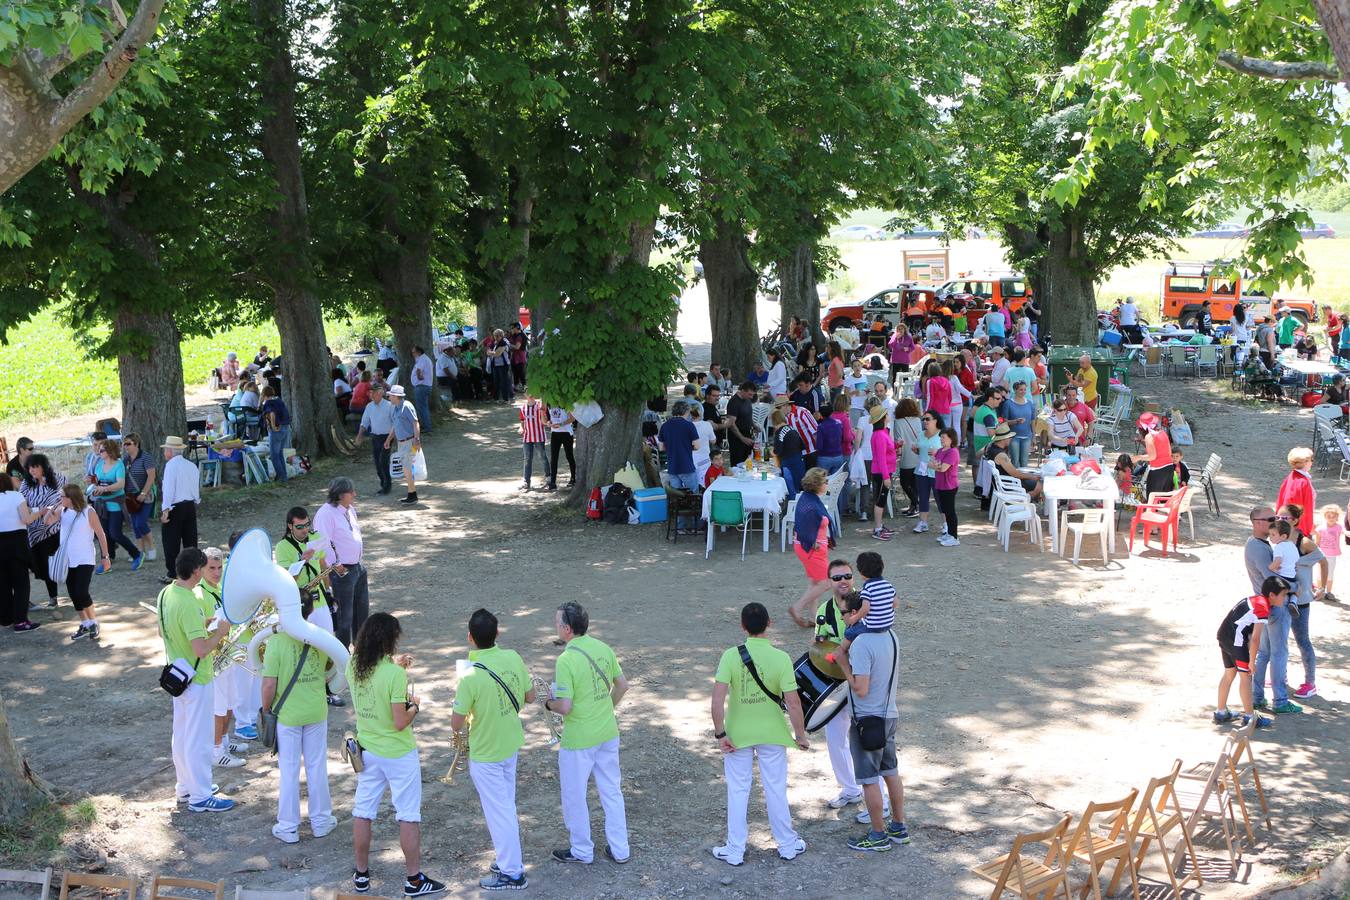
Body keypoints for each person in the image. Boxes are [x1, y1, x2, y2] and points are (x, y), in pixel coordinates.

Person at [348, 613, 446, 897]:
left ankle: (361, 874)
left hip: (367, 750)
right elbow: (400, 721)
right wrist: (415, 705)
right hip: (399, 752)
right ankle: (414, 880)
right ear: (389, 640)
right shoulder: (394, 675)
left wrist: (396, 664)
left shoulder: (354, 665)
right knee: (408, 815)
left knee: (363, 812)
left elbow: (374, 671)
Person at [710, 602, 810, 867]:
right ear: (770, 623)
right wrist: (800, 735)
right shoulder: (781, 659)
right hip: (773, 733)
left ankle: (735, 849)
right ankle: (787, 845)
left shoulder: (730, 656)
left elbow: (717, 700)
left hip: (737, 734)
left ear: (742, 626)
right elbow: (794, 702)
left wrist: (720, 733)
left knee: (738, 790)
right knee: (775, 788)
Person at [543, 602, 631, 866]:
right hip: (607, 731)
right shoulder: (603, 648)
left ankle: (581, 849)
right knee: (611, 790)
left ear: (567, 629)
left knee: (574, 794)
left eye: (557, 623)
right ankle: (620, 849)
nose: (556, 627)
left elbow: (565, 706)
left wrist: (548, 703)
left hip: (579, 738)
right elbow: (622, 685)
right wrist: (607, 708)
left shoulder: (566, 660)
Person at [451, 609, 533, 892]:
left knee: (500, 811)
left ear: (469, 638)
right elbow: (530, 696)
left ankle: (512, 872)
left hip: (485, 752)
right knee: (505, 805)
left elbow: (456, 721)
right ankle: (507, 858)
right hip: (510, 742)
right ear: (498, 633)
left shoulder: (469, 675)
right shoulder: (512, 657)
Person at [160, 547, 235, 811]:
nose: (207, 572)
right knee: (199, 739)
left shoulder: (166, 593)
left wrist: (205, 622)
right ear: (196, 571)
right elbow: (202, 650)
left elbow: (167, 630)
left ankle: (185, 787)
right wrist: (221, 631)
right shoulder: (189, 602)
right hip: (196, 678)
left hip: (177, 674)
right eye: (204, 568)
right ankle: (201, 796)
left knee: (181, 734)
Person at [262, 587, 335, 845]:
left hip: (288, 715)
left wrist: (267, 709)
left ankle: (288, 826)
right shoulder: (320, 637)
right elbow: (332, 668)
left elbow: (269, 685)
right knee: (317, 767)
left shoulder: (277, 642)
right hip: (315, 710)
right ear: (311, 610)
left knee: (289, 770)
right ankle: (321, 822)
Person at [842, 607, 908, 852]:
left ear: (858, 614)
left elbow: (861, 688)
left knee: (869, 781)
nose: (843, 619)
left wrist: (842, 664)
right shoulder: (892, 635)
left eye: (845, 613)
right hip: (889, 714)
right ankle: (899, 827)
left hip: (867, 720)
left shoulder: (861, 643)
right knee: (891, 771)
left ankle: (878, 834)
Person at [1214, 576, 1288, 729]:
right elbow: (1255, 639)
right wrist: (1251, 662)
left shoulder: (1256, 599)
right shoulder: (1263, 608)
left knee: (1229, 673)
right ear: (1272, 595)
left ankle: (1221, 712)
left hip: (1224, 635)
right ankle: (1250, 717)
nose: (1285, 598)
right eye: (1283, 595)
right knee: (1246, 677)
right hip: (1236, 641)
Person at [45, 485, 109, 639]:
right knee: (73, 593)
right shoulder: (62, 511)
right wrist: (51, 509)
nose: (60, 499)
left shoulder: (89, 512)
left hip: (85, 558)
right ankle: (85, 623)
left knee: (81, 591)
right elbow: (47, 522)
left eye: (62, 497)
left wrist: (105, 557)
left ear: (71, 497)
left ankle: (93, 621)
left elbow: (101, 534)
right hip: (68, 559)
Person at [314, 477, 368, 651]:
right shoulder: (325, 514)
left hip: (357, 567)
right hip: (342, 570)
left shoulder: (349, 509)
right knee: (344, 616)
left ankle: (361, 651)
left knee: (361, 612)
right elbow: (323, 542)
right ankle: (342, 654)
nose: (354, 494)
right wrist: (336, 565)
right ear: (340, 495)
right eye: (351, 492)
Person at [789, 468, 837, 627]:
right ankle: (797, 607)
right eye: (825, 482)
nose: (827, 483)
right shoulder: (810, 504)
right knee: (826, 583)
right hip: (811, 549)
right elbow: (802, 526)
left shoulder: (809, 499)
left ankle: (813, 617)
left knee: (815, 582)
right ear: (817, 485)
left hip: (813, 548)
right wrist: (811, 542)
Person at [21, 453, 66, 608]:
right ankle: (53, 597)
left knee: (61, 563)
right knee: (44, 567)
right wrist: (38, 510)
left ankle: (75, 592)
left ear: (43, 467)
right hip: (35, 532)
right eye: (30, 468)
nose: (32, 470)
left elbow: (68, 497)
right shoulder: (26, 485)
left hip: (56, 529)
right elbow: (22, 506)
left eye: (35, 467)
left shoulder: (58, 479)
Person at [0, 474, 42, 632]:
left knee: (3, 584)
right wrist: (40, 512)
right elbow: (27, 519)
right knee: (21, 584)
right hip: (16, 543)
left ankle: (5, 618)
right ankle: (20, 621)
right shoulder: (16, 495)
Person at [159, 436, 200, 585]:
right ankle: (194, 569)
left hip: (175, 507)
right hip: (190, 505)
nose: (164, 453)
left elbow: (169, 489)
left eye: (165, 450)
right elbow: (196, 488)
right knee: (190, 539)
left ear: (170, 451)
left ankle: (173, 573)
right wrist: (196, 501)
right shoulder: (191, 465)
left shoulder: (171, 466)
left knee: (171, 541)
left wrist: (165, 510)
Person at [658, 400, 703, 530]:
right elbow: (697, 446)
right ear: (686, 411)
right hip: (686, 465)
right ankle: (695, 525)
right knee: (693, 496)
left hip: (672, 466)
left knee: (678, 498)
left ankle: (681, 526)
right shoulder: (689, 426)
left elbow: (661, 447)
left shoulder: (665, 426)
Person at [979, 424, 1044, 511]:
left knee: (1033, 480)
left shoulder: (990, 447)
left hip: (1001, 482)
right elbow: (1015, 474)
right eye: (1009, 437)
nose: (1011, 439)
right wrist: (1032, 476)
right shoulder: (1001, 455)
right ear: (1004, 439)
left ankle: (1024, 502)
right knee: (1040, 485)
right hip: (1008, 483)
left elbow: (978, 454)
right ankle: (1023, 503)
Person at [121, 433, 157, 562]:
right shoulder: (125, 460)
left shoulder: (146, 457)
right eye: (124, 444)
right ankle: (140, 551)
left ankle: (152, 547)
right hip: (130, 497)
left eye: (128, 443)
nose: (126, 446)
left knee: (141, 522)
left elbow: (151, 477)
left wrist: (143, 493)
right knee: (135, 525)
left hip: (145, 496)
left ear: (136, 444)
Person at [386, 385, 423, 504]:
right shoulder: (396, 408)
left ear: (396, 396)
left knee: (407, 469)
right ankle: (412, 494)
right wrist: (388, 440)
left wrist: (417, 439)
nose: (389, 397)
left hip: (409, 441)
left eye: (391, 395)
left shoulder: (406, 406)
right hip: (401, 442)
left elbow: (415, 422)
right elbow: (395, 426)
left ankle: (412, 495)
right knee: (406, 469)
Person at [357, 383, 395, 495]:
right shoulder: (369, 407)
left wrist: (390, 439)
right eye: (370, 392)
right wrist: (360, 435)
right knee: (378, 464)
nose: (370, 394)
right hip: (375, 437)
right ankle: (383, 483)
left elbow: (394, 424)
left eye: (372, 392)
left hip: (387, 437)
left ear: (380, 393)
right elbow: (364, 423)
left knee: (383, 461)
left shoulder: (389, 406)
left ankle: (387, 486)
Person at [868, 405, 896, 541]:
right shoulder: (879, 435)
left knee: (882, 499)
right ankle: (878, 528)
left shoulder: (883, 432)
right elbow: (881, 458)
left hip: (884, 471)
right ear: (883, 418)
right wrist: (886, 477)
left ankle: (879, 526)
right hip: (881, 472)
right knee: (880, 500)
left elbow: (887, 449)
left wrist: (897, 445)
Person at [1275, 447, 1316, 536]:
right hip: (1297, 528)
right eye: (1310, 460)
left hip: (1289, 525)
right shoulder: (1302, 482)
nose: (1312, 462)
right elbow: (1304, 508)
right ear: (1304, 462)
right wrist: (1308, 527)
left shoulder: (1292, 477)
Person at [932, 428, 961, 547]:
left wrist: (936, 466)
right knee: (945, 510)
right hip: (940, 485)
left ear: (951, 438)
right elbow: (932, 463)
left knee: (950, 511)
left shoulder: (953, 452)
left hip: (949, 486)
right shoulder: (940, 450)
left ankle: (954, 536)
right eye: (941, 437)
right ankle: (949, 533)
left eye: (944, 437)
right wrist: (936, 466)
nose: (941, 439)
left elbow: (943, 468)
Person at [519, 391, 552, 492]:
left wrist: (545, 417)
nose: (530, 394)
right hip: (527, 437)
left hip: (538, 436)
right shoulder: (523, 408)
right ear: (525, 395)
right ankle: (526, 481)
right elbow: (522, 422)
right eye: (527, 392)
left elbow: (544, 421)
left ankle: (548, 477)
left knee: (542, 456)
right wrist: (521, 428)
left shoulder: (540, 407)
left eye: (531, 391)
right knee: (527, 459)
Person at [1000, 381, 1036, 469]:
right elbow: (1004, 422)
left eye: (1025, 389)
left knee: (1024, 462)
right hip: (1013, 436)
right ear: (1015, 390)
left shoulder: (1029, 403)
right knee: (1015, 462)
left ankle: (1024, 481)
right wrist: (1016, 421)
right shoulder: (1008, 403)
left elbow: (1032, 421)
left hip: (1027, 436)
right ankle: (1016, 481)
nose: (1023, 391)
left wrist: (1034, 436)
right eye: (1021, 390)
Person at [260, 386, 292, 483]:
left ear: (264, 395)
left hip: (277, 429)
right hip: (286, 427)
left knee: (274, 455)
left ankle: (281, 477)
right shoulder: (279, 400)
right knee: (280, 453)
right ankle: (284, 475)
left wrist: (273, 426)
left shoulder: (269, 403)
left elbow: (272, 413)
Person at [724, 382, 758, 467]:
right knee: (738, 463)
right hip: (737, 437)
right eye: (749, 394)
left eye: (753, 395)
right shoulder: (734, 402)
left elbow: (748, 416)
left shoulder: (747, 400)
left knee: (748, 462)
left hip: (747, 433)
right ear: (742, 391)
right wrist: (742, 438)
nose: (751, 397)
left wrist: (754, 426)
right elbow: (731, 424)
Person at [547, 405, 577, 491]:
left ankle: (573, 478)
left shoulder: (565, 403)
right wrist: (548, 423)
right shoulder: (549, 403)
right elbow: (548, 419)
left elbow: (572, 419)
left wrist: (561, 424)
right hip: (555, 434)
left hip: (566, 433)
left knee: (569, 456)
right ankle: (553, 482)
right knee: (554, 458)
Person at [1315, 504, 1341, 602]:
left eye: (1333, 516)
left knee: (1330, 574)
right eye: (1328, 516)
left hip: (1332, 555)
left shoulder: (1338, 527)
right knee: (1319, 574)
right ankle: (1320, 590)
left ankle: (1329, 592)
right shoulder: (1321, 528)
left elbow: (1345, 532)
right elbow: (1317, 542)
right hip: (1322, 555)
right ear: (1325, 517)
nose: (1331, 518)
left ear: (1337, 517)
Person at [689, 403, 718, 484]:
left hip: (691, 457)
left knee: (693, 481)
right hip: (705, 457)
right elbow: (713, 441)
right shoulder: (707, 424)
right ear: (701, 412)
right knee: (705, 481)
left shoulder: (687, 425)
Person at [410, 345, 435, 434]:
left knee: (422, 407)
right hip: (424, 386)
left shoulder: (422, 359)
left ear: (418, 352)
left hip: (422, 386)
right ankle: (426, 425)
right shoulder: (425, 359)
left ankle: (427, 427)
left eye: (413, 352)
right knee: (423, 407)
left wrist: (419, 377)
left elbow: (419, 370)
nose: (412, 354)